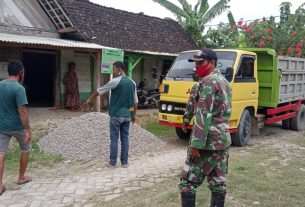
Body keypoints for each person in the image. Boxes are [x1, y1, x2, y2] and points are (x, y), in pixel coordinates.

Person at [179, 48, 232, 207]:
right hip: (222, 141)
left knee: (187, 183)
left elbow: (204, 114)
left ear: (212, 63)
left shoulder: (208, 81)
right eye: (195, 63)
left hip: (207, 142)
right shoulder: (224, 81)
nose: (197, 66)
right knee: (218, 183)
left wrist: (196, 144)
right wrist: (186, 118)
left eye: (201, 63)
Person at [85, 61, 138, 168]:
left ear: (119, 70)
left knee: (114, 139)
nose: (113, 72)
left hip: (116, 115)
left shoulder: (115, 81)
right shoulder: (132, 82)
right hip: (127, 116)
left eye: (114, 69)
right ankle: (125, 162)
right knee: (125, 138)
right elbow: (135, 102)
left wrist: (89, 99)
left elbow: (100, 90)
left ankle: (112, 163)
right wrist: (133, 115)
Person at [0, 60, 32, 196]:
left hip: (2, 126)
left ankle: (0, 185)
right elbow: (22, 112)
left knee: (1, 154)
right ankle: (21, 177)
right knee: (26, 149)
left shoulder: (0, 85)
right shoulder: (19, 88)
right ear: (21, 72)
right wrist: (28, 130)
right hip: (18, 126)